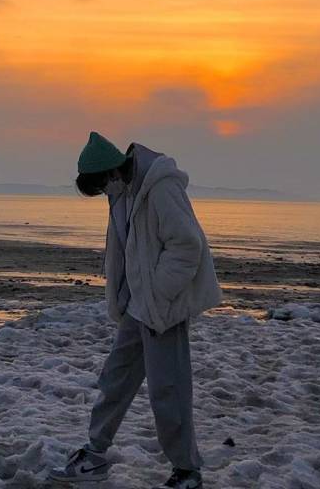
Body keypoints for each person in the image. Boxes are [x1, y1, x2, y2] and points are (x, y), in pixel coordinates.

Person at [49, 131, 222, 489]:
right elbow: (126, 249)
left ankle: (187, 471)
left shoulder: (160, 187)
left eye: (100, 187)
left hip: (163, 307)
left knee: (168, 390)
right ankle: (95, 454)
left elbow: (187, 245)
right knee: (116, 379)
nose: (103, 196)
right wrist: (125, 297)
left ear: (112, 173)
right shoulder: (123, 193)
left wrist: (160, 293)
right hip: (137, 306)